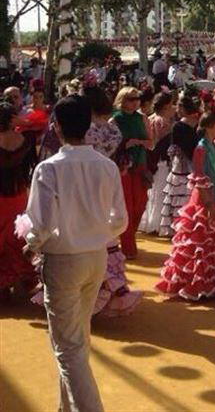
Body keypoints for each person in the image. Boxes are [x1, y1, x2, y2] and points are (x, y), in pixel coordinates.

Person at [21, 94, 127, 412]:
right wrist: (93, 235)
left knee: (67, 347)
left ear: (56, 127)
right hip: (95, 257)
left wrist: (32, 244)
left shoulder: (48, 169)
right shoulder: (106, 166)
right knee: (77, 339)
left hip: (63, 260)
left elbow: (38, 224)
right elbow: (119, 220)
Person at [157, 110, 215, 300]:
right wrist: (209, 203)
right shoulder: (201, 148)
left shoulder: (213, 146)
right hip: (204, 200)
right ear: (209, 127)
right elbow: (199, 176)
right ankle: (199, 283)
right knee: (202, 242)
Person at [0, 101, 36, 297]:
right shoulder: (23, 138)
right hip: (18, 193)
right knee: (15, 237)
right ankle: (14, 279)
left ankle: (3, 285)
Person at [111, 87, 152, 259]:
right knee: (127, 205)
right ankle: (128, 247)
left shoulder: (142, 118)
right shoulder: (115, 120)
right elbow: (110, 146)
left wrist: (139, 142)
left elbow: (151, 143)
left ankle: (129, 236)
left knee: (141, 204)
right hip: (123, 168)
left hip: (140, 165)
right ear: (122, 100)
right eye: (131, 98)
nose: (136, 101)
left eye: (137, 98)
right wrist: (126, 145)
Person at [159, 93, 201, 238]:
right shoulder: (196, 124)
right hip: (191, 164)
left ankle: (178, 227)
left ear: (182, 108)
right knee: (185, 196)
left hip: (182, 165)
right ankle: (186, 226)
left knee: (178, 196)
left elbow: (175, 147)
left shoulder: (179, 126)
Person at [139, 92, 176, 235]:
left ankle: (150, 222)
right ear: (166, 106)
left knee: (154, 191)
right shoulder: (163, 122)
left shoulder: (150, 118)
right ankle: (158, 224)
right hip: (161, 159)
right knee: (160, 191)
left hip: (151, 158)